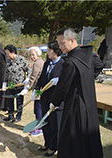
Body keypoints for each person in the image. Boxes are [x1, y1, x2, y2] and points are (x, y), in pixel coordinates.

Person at [50, 27, 103, 158]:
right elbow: (99, 66)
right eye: (59, 44)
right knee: (88, 134)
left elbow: (62, 88)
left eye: (62, 43)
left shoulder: (70, 63)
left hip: (76, 105)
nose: (60, 47)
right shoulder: (87, 55)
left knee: (73, 137)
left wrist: (54, 102)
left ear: (72, 40)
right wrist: (85, 79)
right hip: (89, 103)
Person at [32, 41, 64, 157]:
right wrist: (36, 90)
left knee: (55, 124)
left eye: (50, 50)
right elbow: (41, 78)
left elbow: (65, 83)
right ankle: (47, 143)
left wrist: (59, 81)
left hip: (56, 101)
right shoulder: (47, 63)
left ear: (57, 51)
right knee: (45, 122)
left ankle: (53, 147)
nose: (48, 53)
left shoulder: (63, 64)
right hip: (45, 98)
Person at [3, 45, 31, 123]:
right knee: (9, 101)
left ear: (13, 52)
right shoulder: (8, 61)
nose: (7, 55)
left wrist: (28, 79)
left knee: (19, 102)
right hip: (10, 85)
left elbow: (29, 70)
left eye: (8, 53)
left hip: (19, 85)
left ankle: (18, 117)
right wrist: (4, 83)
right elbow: (6, 72)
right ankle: (10, 115)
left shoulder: (22, 60)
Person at [20, 47, 44, 136]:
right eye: (30, 55)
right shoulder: (41, 61)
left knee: (38, 109)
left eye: (33, 54)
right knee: (39, 109)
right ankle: (39, 127)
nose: (31, 56)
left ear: (37, 54)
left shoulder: (37, 63)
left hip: (39, 90)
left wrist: (27, 87)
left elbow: (34, 77)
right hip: (39, 89)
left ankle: (39, 128)